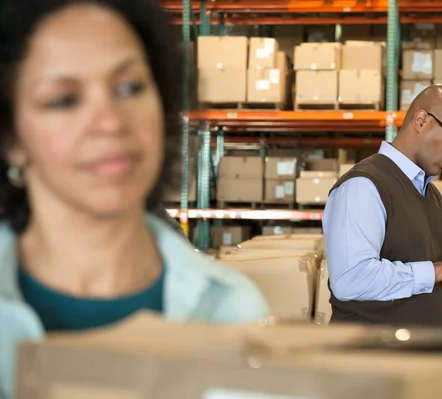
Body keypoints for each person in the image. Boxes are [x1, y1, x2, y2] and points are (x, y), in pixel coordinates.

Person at [0, 1, 269, 398]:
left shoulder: (233, 308)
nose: (110, 121)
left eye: (130, 88)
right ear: (12, 140)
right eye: (64, 99)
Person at [322, 85, 442, 329]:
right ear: (421, 121)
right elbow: (351, 279)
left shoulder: (433, 196)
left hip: (421, 360)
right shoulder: (363, 186)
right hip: (370, 359)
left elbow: (418, 282)